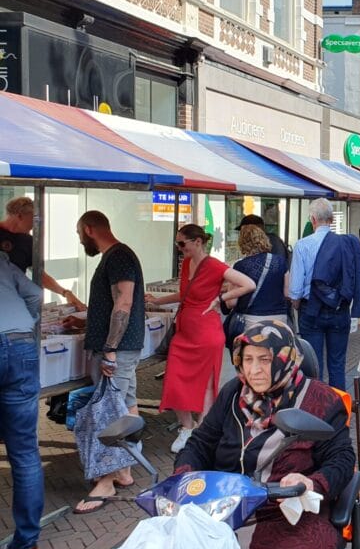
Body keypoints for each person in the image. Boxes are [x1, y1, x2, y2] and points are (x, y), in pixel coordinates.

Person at [175, 320, 355, 549]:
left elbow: (341, 459)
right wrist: (185, 476)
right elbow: (200, 443)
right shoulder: (233, 394)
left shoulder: (322, 401)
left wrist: (310, 483)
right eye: (248, 360)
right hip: (224, 509)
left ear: (285, 359)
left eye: (265, 359)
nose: (255, 369)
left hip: (289, 513)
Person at [149, 224, 256, 453]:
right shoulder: (187, 263)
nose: (179, 249)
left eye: (182, 244)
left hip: (206, 332)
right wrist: (158, 301)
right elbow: (185, 293)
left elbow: (248, 284)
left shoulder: (215, 265)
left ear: (197, 242)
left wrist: (222, 298)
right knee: (174, 380)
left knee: (207, 385)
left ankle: (201, 431)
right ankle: (187, 428)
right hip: (185, 331)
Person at [69, 211, 148, 513]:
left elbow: (124, 301)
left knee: (108, 411)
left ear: (89, 229)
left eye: (79, 232)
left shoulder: (118, 256)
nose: (79, 238)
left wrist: (110, 349)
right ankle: (125, 469)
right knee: (125, 404)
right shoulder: (118, 255)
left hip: (117, 349)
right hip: (120, 348)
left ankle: (106, 480)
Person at [288, 198, 360, 390]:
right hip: (339, 309)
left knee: (313, 367)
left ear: (312, 219)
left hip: (311, 310)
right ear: (331, 219)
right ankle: (338, 413)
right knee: (337, 365)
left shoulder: (302, 245)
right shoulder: (345, 244)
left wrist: (297, 305)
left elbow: (295, 288)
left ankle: (316, 412)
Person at [0, 251, 43, 549]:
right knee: (26, 451)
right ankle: (27, 547)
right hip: (22, 342)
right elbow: (36, 294)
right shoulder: (3, 264)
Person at [0, 196, 85, 309]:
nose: (35, 225)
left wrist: (65, 292)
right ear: (20, 216)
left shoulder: (28, 241)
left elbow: (40, 275)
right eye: (33, 219)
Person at [229, 225, 289, 327]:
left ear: (242, 243)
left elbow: (231, 302)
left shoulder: (240, 266)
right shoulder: (280, 261)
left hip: (251, 320)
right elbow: (287, 293)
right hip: (279, 319)